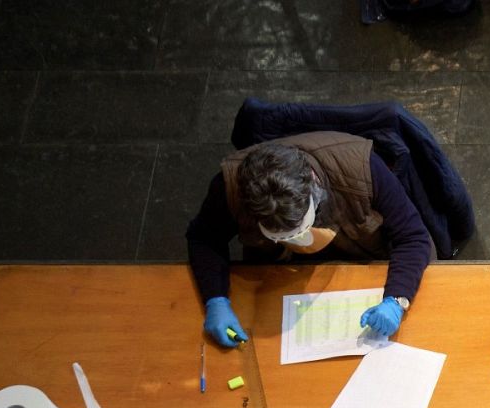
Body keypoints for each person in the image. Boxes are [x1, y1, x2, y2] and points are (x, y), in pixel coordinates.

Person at [186, 132, 434, 349]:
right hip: (277, 277)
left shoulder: (362, 168)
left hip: (360, 258)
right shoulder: (228, 188)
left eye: (299, 229)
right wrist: (215, 298)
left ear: (314, 186)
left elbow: (413, 236)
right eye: (281, 236)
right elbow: (204, 239)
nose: (295, 239)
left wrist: (396, 298)